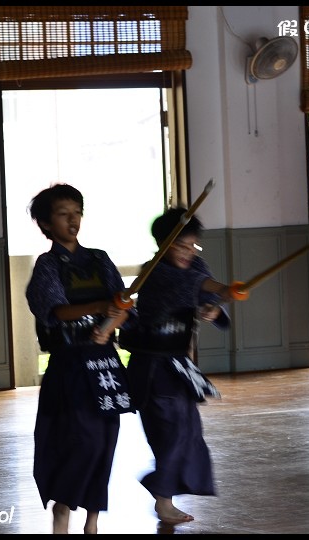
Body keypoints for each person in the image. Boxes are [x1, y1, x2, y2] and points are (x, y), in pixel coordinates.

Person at [25, 183, 135, 534]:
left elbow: (124, 306)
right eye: (63, 214)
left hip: (104, 364)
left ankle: (92, 519)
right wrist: (101, 307)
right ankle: (64, 507)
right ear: (45, 224)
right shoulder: (47, 265)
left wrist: (113, 318)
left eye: (77, 212)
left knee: (105, 437)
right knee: (80, 438)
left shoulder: (100, 258)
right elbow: (55, 312)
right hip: (70, 364)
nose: (73, 221)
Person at [119, 207, 232, 526]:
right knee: (170, 433)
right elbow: (191, 285)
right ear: (162, 245)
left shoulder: (195, 265)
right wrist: (219, 290)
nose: (187, 253)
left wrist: (212, 308)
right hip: (152, 365)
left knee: (189, 431)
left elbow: (203, 294)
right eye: (180, 246)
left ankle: (164, 496)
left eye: (192, 246)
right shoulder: (153, 271)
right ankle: (163, 497)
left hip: (180, 366)